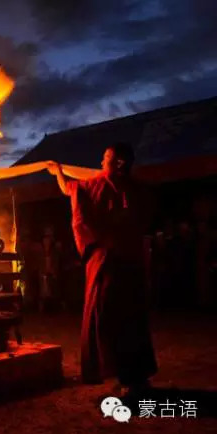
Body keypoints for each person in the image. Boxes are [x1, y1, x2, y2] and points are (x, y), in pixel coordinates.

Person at [47, 142, 157, 397]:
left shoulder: (102, 184)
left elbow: (69, 190)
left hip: (110, 264)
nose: (100, 162)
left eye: (105, 157)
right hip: (130, 262)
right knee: (132, 319)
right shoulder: (137, 188)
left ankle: (127, 376)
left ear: (118, 162)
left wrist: (59, 173)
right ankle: (134, 376)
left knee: (108, 315)